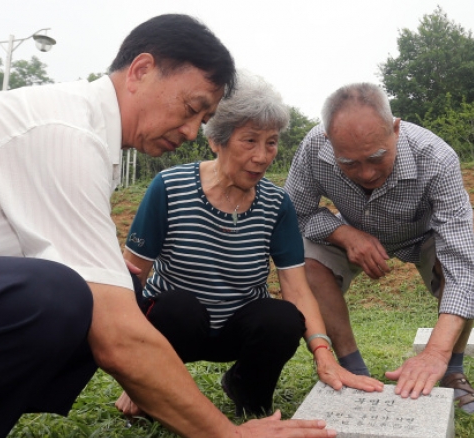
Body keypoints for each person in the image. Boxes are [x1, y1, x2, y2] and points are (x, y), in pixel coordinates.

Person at [0, 15, 339, 438]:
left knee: (112, 286)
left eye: (203, 118)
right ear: (141, 70)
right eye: (192, 108)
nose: (193, 131)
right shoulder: (64, 131)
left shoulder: (87, 134)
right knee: (62, 295)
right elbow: (117, 335)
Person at [116, 73, 384, 420]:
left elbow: (297, 288)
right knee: (175, 307)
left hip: (236, 326)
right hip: (177, 327)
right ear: (216, 141)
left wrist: (323, 353)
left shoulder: (276, 204)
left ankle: (245, 387)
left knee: (284, 318)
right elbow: (130, 276)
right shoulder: (169, 187)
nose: (262, 156)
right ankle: (156, 388)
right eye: (249, 141)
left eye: (271, 143)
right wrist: (134, 373)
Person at [283, 83, 474, 414]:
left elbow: (464, 268)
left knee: (454, 267)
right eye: (349, 162)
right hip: (349, 227)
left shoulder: (437, 158)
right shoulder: (312, 149)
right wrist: (343, 234)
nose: (366, 173)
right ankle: (352, 368)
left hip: (423, 232)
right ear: (328, 142)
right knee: (306, 262)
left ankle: (451, 371)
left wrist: (434, 352)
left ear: (395, 128)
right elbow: (294, 215)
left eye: (377, 157)